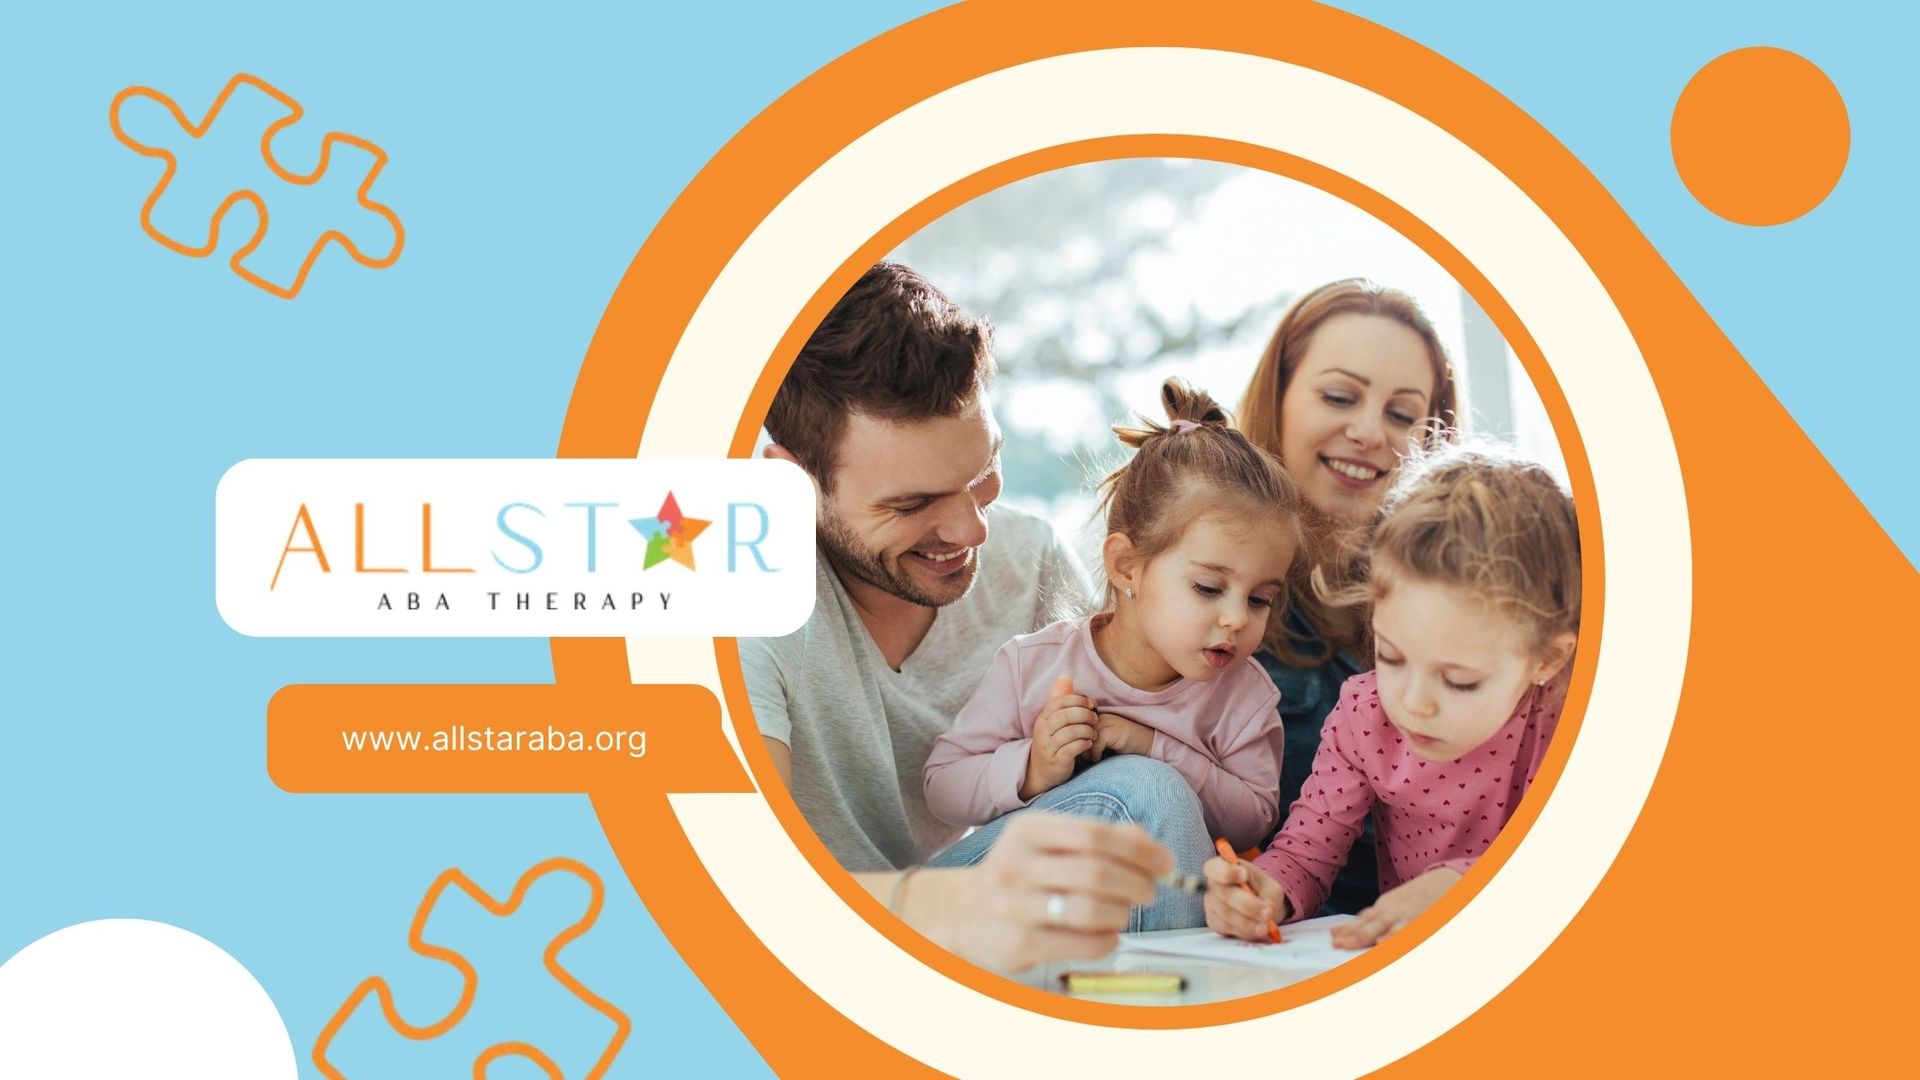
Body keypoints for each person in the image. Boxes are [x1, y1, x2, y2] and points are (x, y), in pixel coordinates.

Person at [743, 263, 1205, 950]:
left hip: (976, 912)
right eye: (912, 504)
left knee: (1147, 794)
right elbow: (738, 887)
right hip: (811, 938)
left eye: (983, 472)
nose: (971, 531)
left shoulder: (1030, 560)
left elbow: (1141, 761)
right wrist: (949, 903)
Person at [922, 380, 1300, 929]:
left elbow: (1252, 823)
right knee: (1141, 790)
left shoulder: (1244, 694)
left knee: (1153, 787)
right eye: (1209, 589)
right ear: (1127, 568)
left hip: (1126, 927)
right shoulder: (1036, 664)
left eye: (1261, 598)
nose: (1237, 619)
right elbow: (943, 788)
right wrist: (1033, 767)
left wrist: (1151, 746)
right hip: (1006, 906)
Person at [1203, 445, 1579, 949]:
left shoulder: (1569, 721)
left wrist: (1467, 884)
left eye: (1459, 680)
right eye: (1393, 658)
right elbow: (1305, 854)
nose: (1414, 704)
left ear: (1546, 660)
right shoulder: (1364, 713)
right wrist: (1263, 892)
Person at [1234, 278, 1461, 916]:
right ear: (1277, 397)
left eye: (1400, 414)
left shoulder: (1476, 608)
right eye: (1339, 396)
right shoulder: (1194, 589)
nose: (1367, 432)